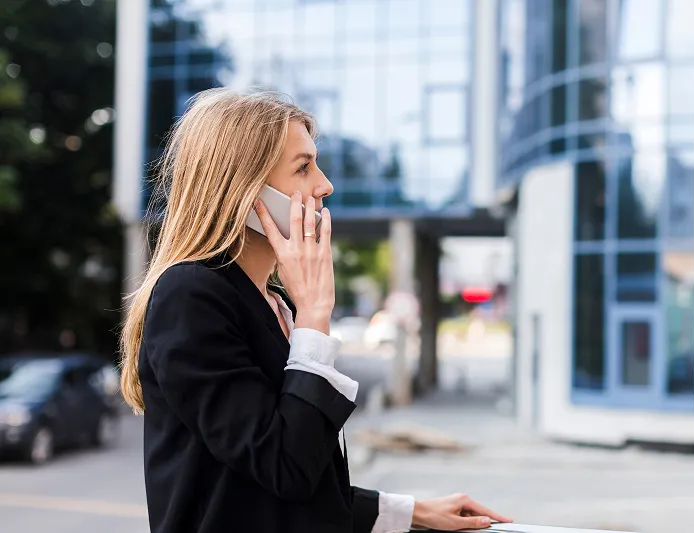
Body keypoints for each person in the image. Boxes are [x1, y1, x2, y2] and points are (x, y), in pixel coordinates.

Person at [118, 88, 511, 533]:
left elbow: (285, 483)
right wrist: (315, 316)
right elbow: (285, 466)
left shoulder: (273, 304)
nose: (325, 184)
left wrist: (414, 512)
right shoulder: (191, 295)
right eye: (303, 167)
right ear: (245, 191)